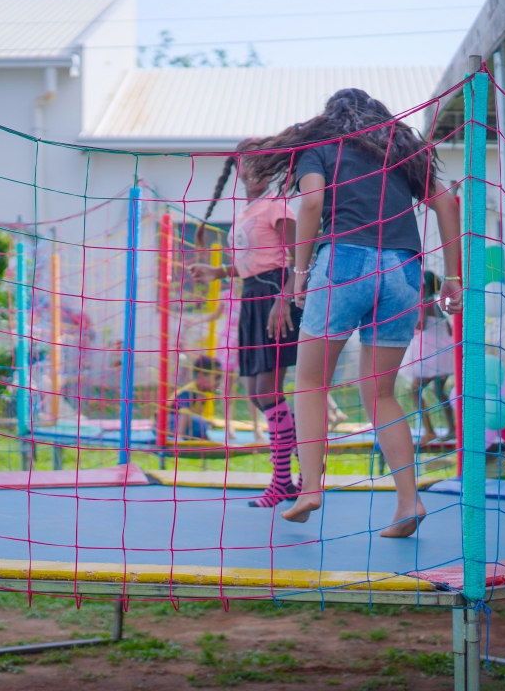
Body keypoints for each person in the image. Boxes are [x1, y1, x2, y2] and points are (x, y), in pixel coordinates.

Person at [249, 88, 461, 538]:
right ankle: (409, 500)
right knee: (381, 393)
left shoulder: (321, 148)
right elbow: (447, 203)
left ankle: (310, 488)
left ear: (328, 119)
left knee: (310, 381)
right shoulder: (400, 152)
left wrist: (300, 273)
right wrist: (452, 277)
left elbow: (311, 203)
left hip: (344, 262)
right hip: (404, 270)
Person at [189, 142, 303, 507]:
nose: (253, 170)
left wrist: (284, 299)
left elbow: (300, 258)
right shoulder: (248, 212)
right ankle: (303, 464)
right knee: (255, 392)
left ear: (271, 169)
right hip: (253, 297)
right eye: (247, 164)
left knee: (268, 391)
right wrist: (217, 272)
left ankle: (284, 481)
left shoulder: (277, 206)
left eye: (260, 163)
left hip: (275, 297)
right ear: (238, 170)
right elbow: (253, 262)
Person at [399, 271, 456, 445]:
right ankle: (452, 428)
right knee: (439, 390)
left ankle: (430, 431)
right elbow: (449, 329)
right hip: (442, 353)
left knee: (414, 390)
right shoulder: (435, 303)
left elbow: (420, 324)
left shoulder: (424, 303)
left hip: (430, 355)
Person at [173, 355, 222, 440]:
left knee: (202, 423)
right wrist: (179, 438)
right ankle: (179, 437)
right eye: (216, 378)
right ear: (201, 377)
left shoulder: (202, 394)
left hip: (176, 422)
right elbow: (185, 413)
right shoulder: (190, 391)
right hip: (165, 421)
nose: (219, 382)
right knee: (199, 423)